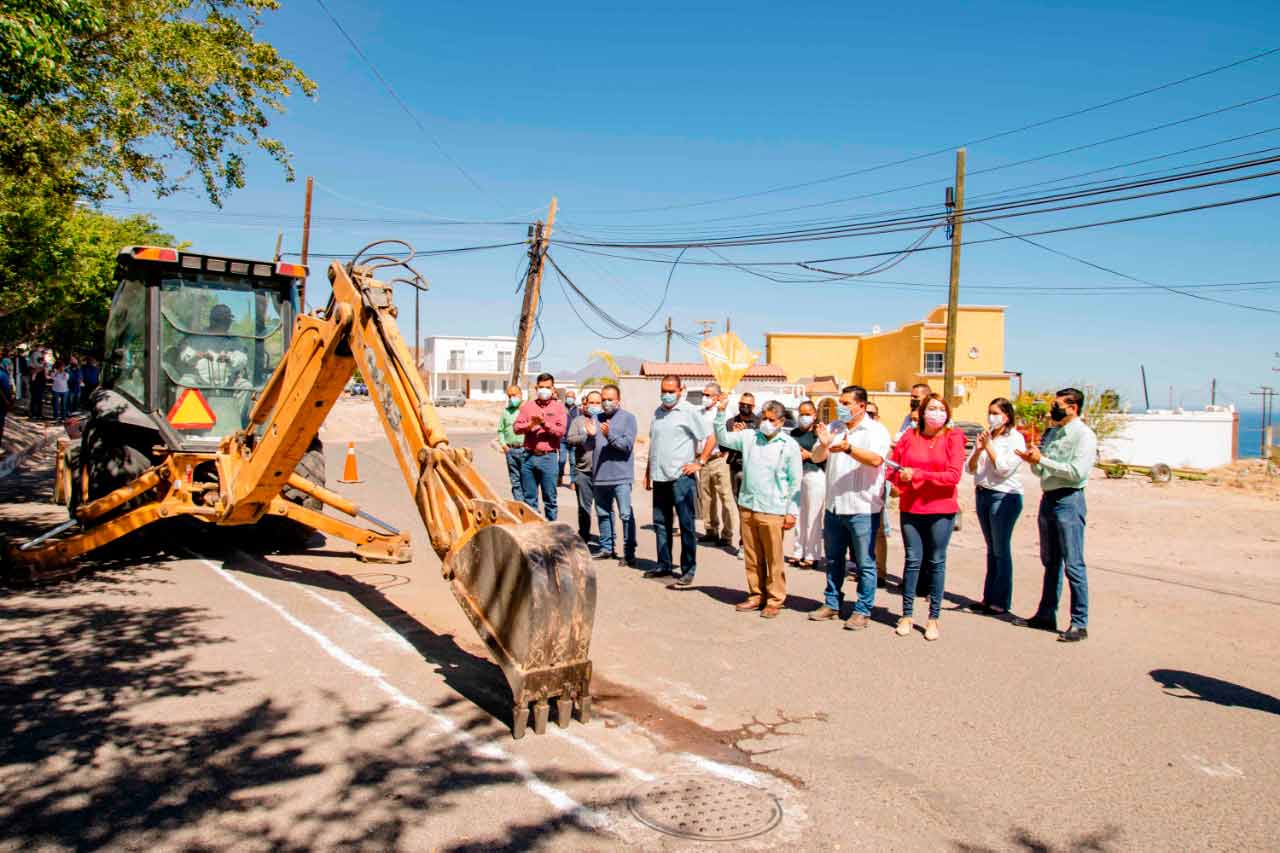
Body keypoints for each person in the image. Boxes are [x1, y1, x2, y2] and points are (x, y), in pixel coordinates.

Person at [1013, 388, 1097, 642]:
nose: (1053, 409)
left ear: (1073, 408)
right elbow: (1043, 472)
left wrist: (1044, 461)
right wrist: (1035, 461)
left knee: (1073, 563)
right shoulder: (1052, 433)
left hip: (1069, 500)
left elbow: (1076, 472)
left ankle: (1079, 623)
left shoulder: (1084, 435)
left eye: (1058, 405)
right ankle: (1046, 614)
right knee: (1051, 562)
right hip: (1048, 499)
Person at [810, 385, 891, 630]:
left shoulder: (875, 430)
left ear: (861, 406)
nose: (842, 408)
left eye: (847, 403)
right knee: (834, 560)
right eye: (840, 403)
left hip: (862, 508)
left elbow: (876, 459)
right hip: (835, 507)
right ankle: (832, 603)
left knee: (865, 563)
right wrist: (824, 444)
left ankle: (862, 610)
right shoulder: (834, 427)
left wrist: (849, 448)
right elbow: (816, 457)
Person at [887, 393, 966, 642]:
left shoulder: (954, 437)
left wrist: (919, 475)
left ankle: (933, 618)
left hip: (941, 509)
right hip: (912, 508)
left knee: (936, 561)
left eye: (941, 409)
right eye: (931, 408)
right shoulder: (909, 437)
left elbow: (953, 476)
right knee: (912, 560)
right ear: (921, 412)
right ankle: (907, 614)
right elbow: (893, 469)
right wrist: (902, 479)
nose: (936, 413)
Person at [714, 397, 802, 618]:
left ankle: (774, 599)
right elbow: (723, 437)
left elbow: (795, 482)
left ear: (781, 422)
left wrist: (792, 511)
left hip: (773, 509)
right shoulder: (749, 437)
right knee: (752, 556)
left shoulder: (788, 445)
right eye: (764, 417)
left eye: (771, 419)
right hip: (748, 505)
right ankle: (756, 595)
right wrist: (720, 412)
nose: (766, 422)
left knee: (773, 558)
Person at [645, 374, 709, 585]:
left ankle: (688, 569)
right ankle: (664, 564)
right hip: (659, 477)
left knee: (686, 524)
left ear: (681, 390)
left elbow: (710, 436)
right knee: (661, 523)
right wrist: (648, 472)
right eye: (664, 391)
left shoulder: (689, 411)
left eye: (671, 391)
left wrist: (700, 462)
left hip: (681, 479)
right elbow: (655, 443)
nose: (667, 395)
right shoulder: (657, 412)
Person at [967, 397, 1026, 617]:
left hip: (1004, 496)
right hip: (983, 493)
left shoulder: (1015, 439)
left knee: (1001, 549)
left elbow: (1003, 468)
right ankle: (988, 597)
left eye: (996, 413)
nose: (991, 417)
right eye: (989, 412)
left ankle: (1001, 601)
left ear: (1007, 416)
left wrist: (989, 448)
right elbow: (970, 468)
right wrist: (979, 449)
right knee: (991, 549)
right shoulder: (985, 436)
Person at [590, 384, 638, 567]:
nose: (606, 403)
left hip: (620, 476)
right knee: (603, 513)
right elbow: (589, 446)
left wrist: (609, 434)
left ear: (618, 400)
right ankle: (606, 547)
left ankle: (629, 552)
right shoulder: (595, 418)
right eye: (603, 399)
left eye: (610, 399)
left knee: (625, 514)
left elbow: (626, 446)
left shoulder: (628, 419)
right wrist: (588, 437)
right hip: (600, 475)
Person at [513, 372, 568, 520]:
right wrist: (530, 425)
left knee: (550, 498)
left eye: (547, 387)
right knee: (529, 499)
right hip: (529, 457)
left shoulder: (559, 408)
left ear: (553, 388)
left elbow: (561, 431)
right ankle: (534, 530)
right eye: (541, 387)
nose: (544, 390)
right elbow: (516, 428)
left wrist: (545, 424)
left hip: (548, 458)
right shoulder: (528, 407)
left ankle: (552, 531)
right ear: (536, 387)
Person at [697, 382, 736, 551]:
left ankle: (727, 534)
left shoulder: (724, 412)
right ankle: (711, 529)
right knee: (707, 497)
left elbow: (730, 434)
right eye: (704, 395)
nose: (704, 398)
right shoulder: (699, 413)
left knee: (725, 498)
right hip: (703, 461)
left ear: (717, 397)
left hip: (719, 459)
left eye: (708, 395)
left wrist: (727, 453)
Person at [787, 400, 825, 568]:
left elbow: (824, 455)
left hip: (815, 474)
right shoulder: (794, 433)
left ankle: (812, 553)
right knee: (798, 514)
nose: (804, 417)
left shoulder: (819, 433)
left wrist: (808, 455)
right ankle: (798, 550)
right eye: (801, 413)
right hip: (797, 476)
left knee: (813, 516)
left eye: (807, 414)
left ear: (814, 415)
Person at [564, 390, 601, 548]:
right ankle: (584, 535)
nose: (592, 406)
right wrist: (585, 436)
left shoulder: (605, 420)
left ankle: (607, 541)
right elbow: (570, 439)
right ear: (584, 404)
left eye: (596, 403)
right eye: (589, 403)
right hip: (583, 470)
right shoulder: (578, 421)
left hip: (602, 472)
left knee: (604, 509)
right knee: (584, 507)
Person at [180, 303, 249, 386]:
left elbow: (243, 359)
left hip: (229, 384)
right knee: (186, 382)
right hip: (200, 383)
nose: (226, 323)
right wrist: (197, 355)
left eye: (227, 320)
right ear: (212, 320)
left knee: (246, 386)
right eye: (221, 320)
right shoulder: (197, 337)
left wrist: (229, 359)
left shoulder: (235, 340)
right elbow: (184, 356)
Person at [866, 401, 892, 586]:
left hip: (877, 486)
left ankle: (880, 572)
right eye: (866, 412)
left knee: (879, 531)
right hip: (859, 489)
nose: (869, 416)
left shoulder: (881, 432)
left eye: (872, 413)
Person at [497, 384, 526, 504]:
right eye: (509, 396)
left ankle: (529, 507)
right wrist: (504, 445)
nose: (511, 398)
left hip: (525, 450)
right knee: (515, 481)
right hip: (511, 451)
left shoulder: (527, 410)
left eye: (514, 395)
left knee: (527, 480)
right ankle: (519, 505)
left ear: (521, 395)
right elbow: (500, 430)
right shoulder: (505, 412)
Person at [559, 389, 579, 488]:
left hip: (574, 440)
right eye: (568, 397)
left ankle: (573, 481)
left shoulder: (579, 410)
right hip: (562, 439)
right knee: (562, 460)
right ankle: (559, 476)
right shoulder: (561, 408)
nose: (569, 399)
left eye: (571, 397)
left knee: (573, 461)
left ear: (574, 399)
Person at [0, 357, 12, 451]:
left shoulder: (6, 374)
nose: (10, 366)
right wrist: (6, 400)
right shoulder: (1, 373)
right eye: (8, 364)